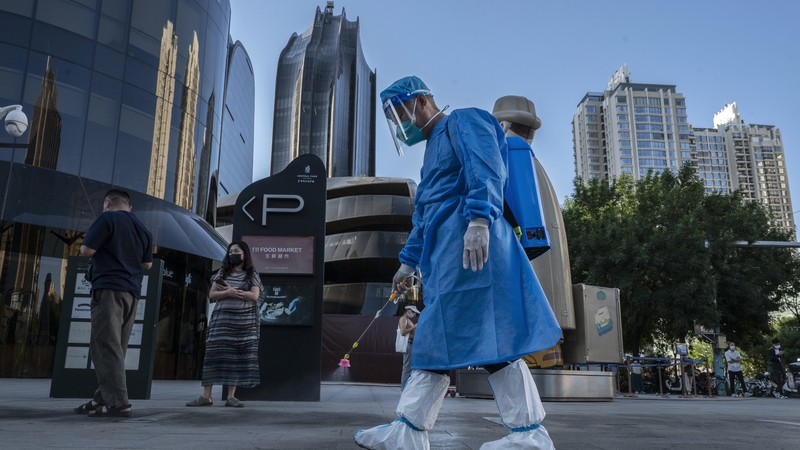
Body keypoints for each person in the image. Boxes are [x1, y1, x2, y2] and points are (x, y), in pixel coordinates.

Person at [355, 76, 561, 450]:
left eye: (400, 112)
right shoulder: (431, 151)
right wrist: (407, 263)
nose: (401, 124)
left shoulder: (463, 120)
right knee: (440, 338)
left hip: (474, 251)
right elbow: (425, 214)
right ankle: (411, 430)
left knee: (488, 340)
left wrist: (480, 219)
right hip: (447, 260)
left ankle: (528, 434)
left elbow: (487, 165)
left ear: (420, 101)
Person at [73, 189, 153, 418]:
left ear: (107, 202)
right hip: (132, 292)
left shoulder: (108, 217)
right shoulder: (143, 228)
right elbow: (147, 265)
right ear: (129, 206)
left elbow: (87, 250)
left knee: (105, 346)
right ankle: (102, 399)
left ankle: (119, 403)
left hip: (108, 288)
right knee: (117, 346)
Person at [187, 241, 262, 408]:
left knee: (235, 358)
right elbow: (212, 293)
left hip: (243, 323)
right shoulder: (223, 272)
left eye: (236, 251)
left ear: (244, 254)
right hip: (222, 322)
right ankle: (206, 396)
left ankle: (231, 397)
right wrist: (228, 292)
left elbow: (255, 296)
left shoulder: (252, 273)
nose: (232, 254)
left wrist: (234, 292)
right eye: (230, 251)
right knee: (213, 356)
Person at [399, 305, 419, 389]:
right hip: (408, 343)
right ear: (407, 310)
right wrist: (414, 327)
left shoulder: (408, 320)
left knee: (410, 367)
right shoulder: (403, 319)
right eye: (412, 311)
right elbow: (403, 332)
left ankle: (407, 387)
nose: (413, 314)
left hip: (412, 344)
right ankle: (403, 389)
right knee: (407, 367)